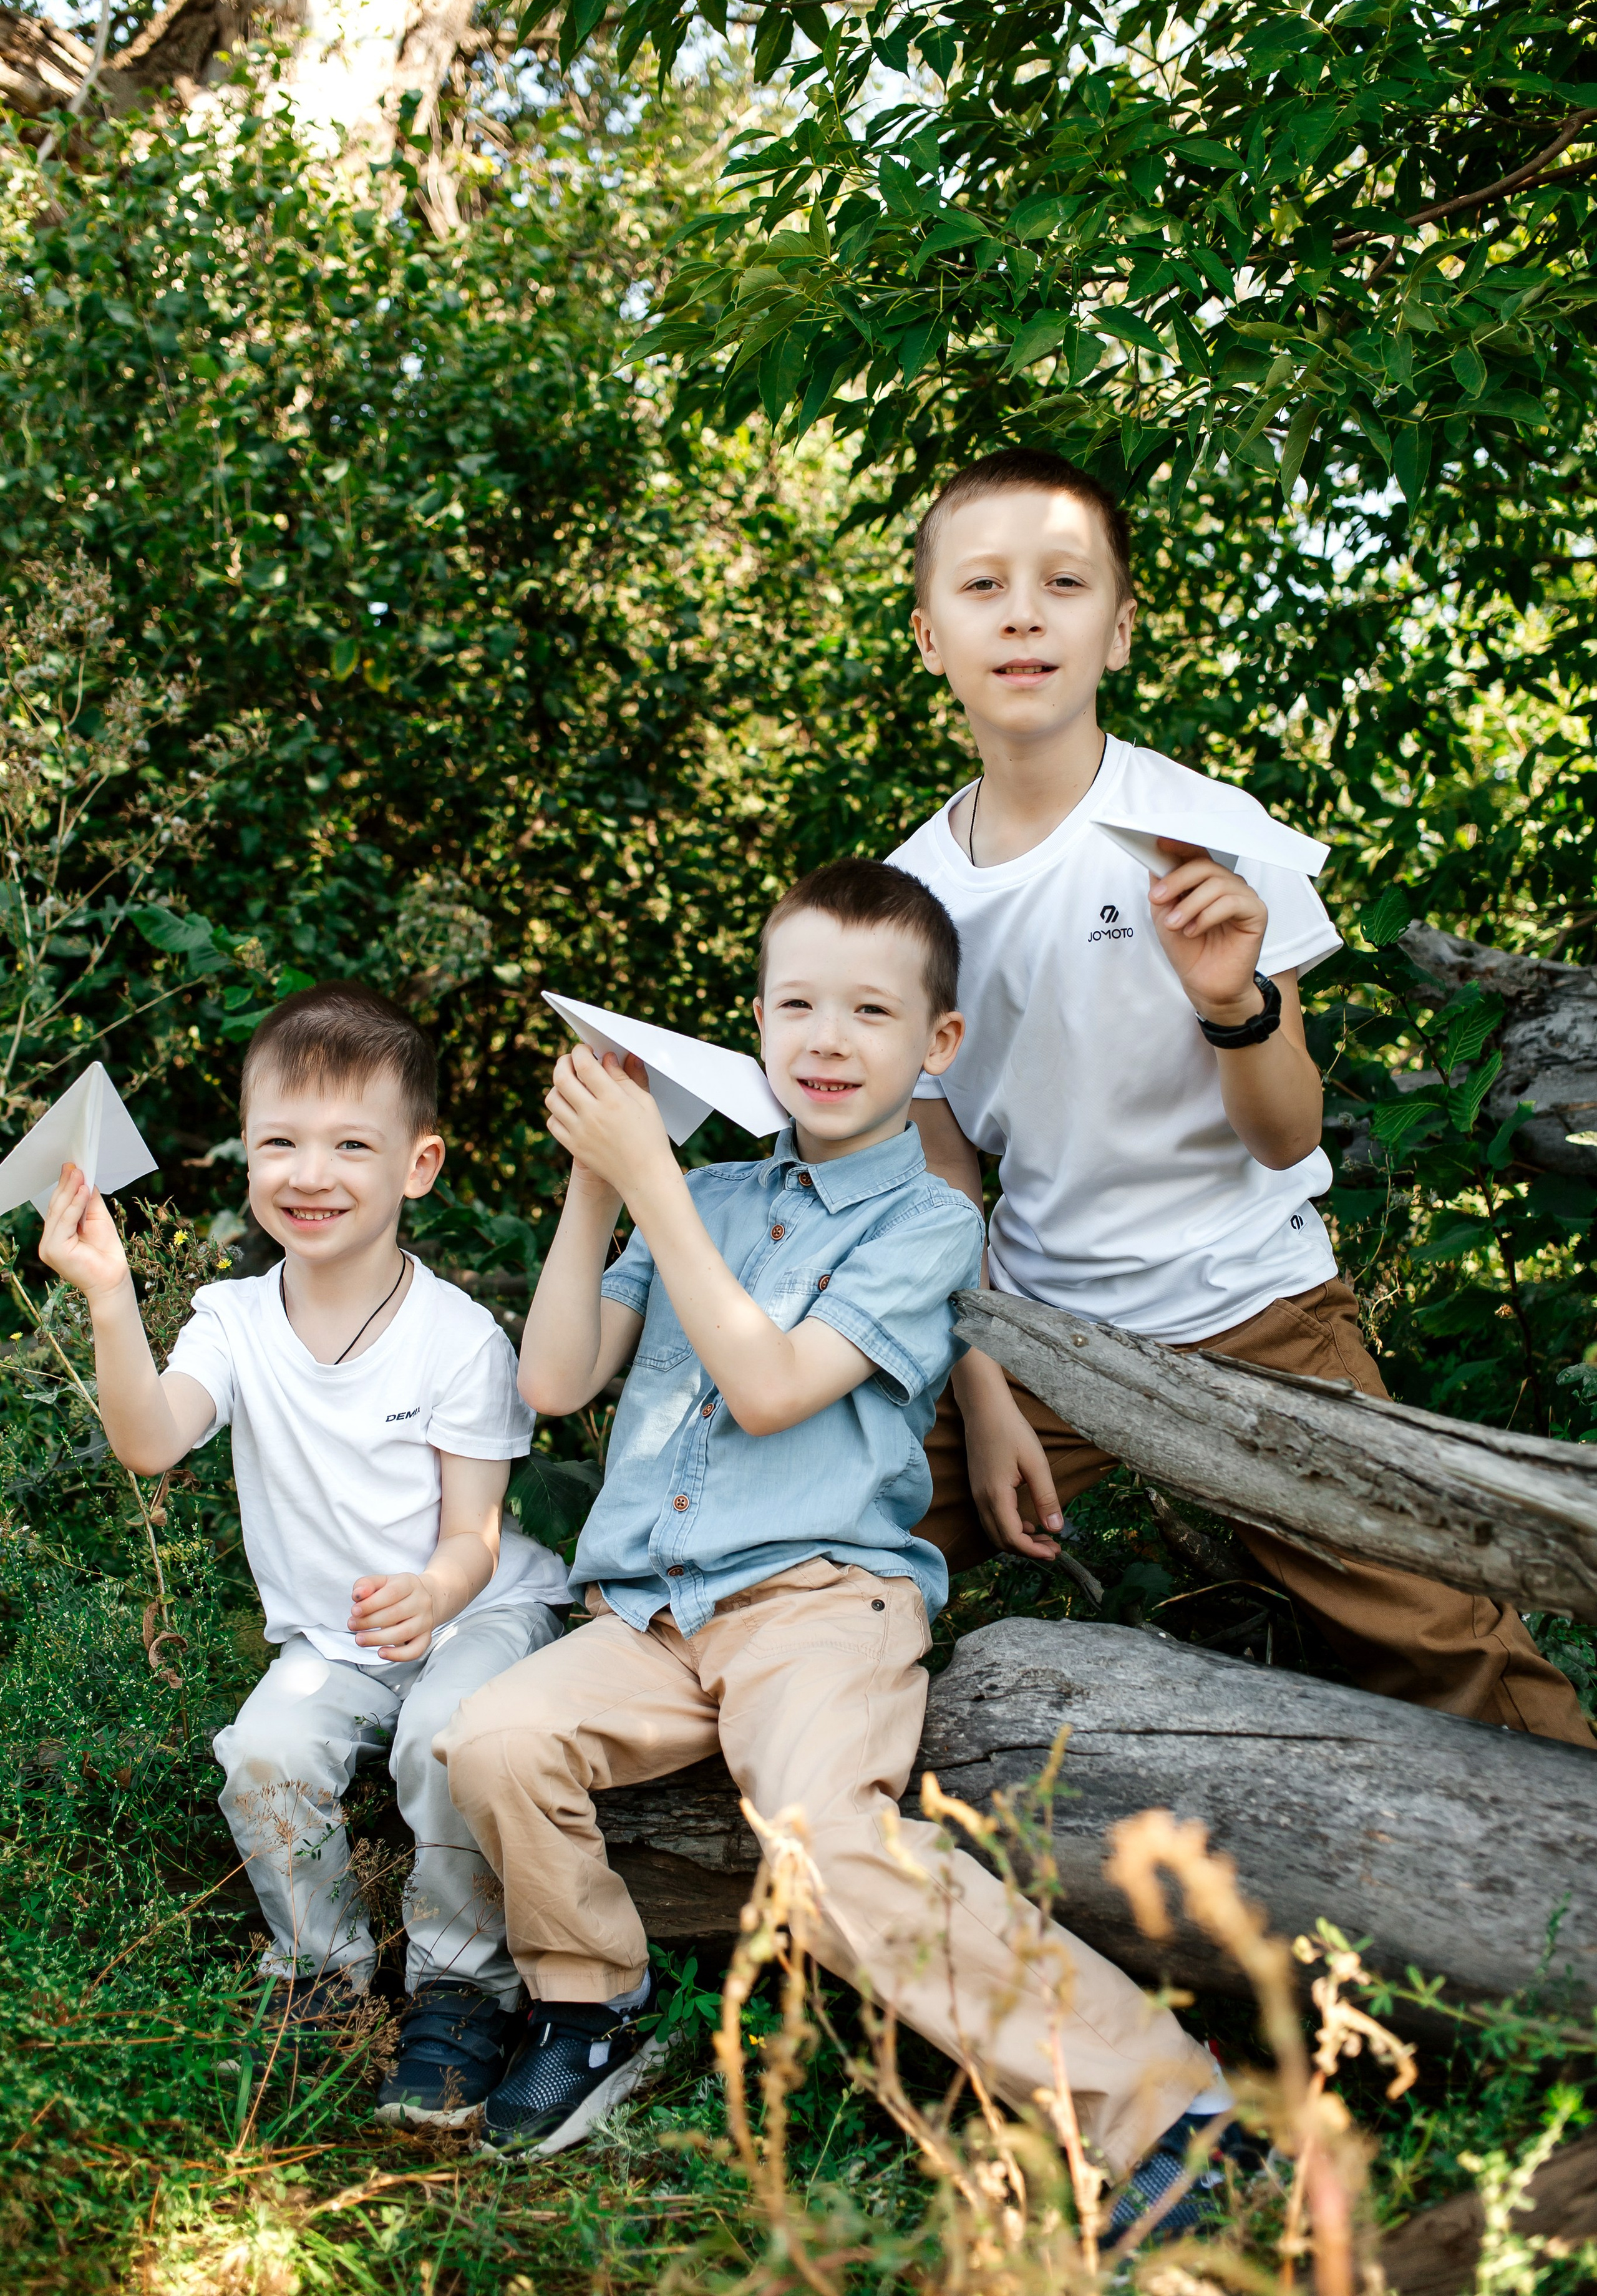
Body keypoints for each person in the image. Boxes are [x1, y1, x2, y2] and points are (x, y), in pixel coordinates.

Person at [437, 859, 1238, 2209]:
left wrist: (654, 1182)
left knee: (819, 1838)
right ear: (753, 1023)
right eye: (794, 1004)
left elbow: (765, 1387)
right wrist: (597, 1185)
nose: (823, 1038)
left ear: (935, 1046)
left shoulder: (929, 1222)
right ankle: (593, 2007)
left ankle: (1162, 2104)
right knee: (493, 1738)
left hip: (820, 1601)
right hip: (651, 1614)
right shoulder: (720, 1198)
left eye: (868, 1014)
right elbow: (554, 1382)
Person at [887, 444, 1593, 1749]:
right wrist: (979, 1376)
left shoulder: (1198, 829)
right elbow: (941, 1173)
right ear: (930, 633)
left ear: (1120, 627)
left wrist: (1233, 999)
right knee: (823, 1533)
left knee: (1446, 1643)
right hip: (1037, 1333)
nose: (1025, 613)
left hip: (1252, 1309)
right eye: (983, 586)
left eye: (1064, 582)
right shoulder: (904, 900)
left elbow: (1281, 1134)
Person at [38, 982, 574, 2123]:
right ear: (247, 1152)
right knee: (266, 1751)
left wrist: (435, 1591)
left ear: (418, 1167)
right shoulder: (232, 1320)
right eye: (280, 1140)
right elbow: (149, 1439)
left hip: (473, 1613)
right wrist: (109, 1294)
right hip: (334, 1640)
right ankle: (324, 1978)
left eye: (351, 1145)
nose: (311, 1173)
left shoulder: (457, 1338)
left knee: (445, 1736)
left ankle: (458, 1992)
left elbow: (473, 1538)